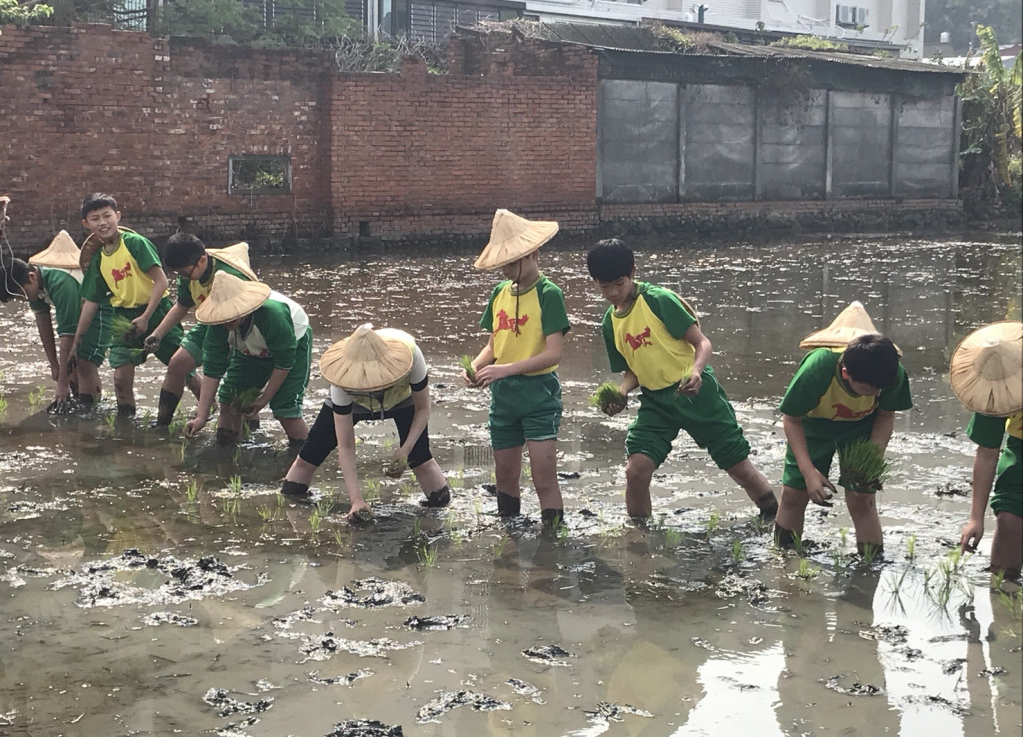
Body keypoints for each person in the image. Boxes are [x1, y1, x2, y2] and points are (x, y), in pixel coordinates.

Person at [586, 238, 778, 522]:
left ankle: (775, 516)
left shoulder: (658, 301)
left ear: (633, 273)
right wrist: (622, 391)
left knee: (737, 464)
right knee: (635, 470)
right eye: (604, 287)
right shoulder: (609, 323)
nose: (613, 292)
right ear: (595, 283)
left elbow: (702, 343)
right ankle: (639, 539)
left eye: (619, 283)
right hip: (656, 402)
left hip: (696, 393)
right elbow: (634, 370)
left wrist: (697, 371)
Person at [773, 302, 911, 556]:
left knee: (862, 498)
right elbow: (791, 418)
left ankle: (870, 565)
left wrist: (873, 457)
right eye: (870, 389)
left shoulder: (892, 373)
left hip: (862, 426)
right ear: (846, 374)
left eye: (881, 388)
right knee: (794, 494)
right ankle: (785, 558)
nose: (877, 393)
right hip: (813, 424)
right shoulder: (819, 367)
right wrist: (808, 471)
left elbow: (885, 414)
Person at [462, 209, 569, 530]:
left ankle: (553, 542)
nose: (507, 270)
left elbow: (553, 354)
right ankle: (510, 537)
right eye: (503, 263)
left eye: (513, 262)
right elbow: (495, 346)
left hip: (539, 396)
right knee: (505, 475)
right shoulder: (499, 294)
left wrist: (505, 370)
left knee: (543, 476)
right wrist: (477, 367)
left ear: (534, 254)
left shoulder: (550, 294)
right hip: (504, 398)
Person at [279, 324, 451, 518]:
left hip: (402, 397)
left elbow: (423, 409)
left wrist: (406, 449)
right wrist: (356, 500)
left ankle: (439, 514)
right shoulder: (342, 379)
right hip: (355, 402)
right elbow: (346, 446)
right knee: (310, 454)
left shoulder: (411, 356)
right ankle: (292, 512)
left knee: (421, 459)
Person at [71, 192, 193, 417]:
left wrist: (146, 317)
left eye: (107, 216)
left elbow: (162, 281)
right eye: (95, 218)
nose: (102, 222)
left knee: (183, 369)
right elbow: (92, 301)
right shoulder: (99, 259)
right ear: (86, 224)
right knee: (120, 378)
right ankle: (126, 425)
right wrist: (77, 340)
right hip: (122, 318)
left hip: (156, 312)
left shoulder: (135, 243)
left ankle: (212, 409)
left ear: (117, 216)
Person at [143, 232, 259, 426]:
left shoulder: (230, 275)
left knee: (239, 387)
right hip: (210, 324)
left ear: (202, 260)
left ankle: (252, 433)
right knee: (177, 364)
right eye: (179, 274)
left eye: (185, 273)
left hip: (239, 326)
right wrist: (157, 333)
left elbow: (249, 312)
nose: (183, 277)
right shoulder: (188, 273)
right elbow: (182, 305)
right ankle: (162, 425)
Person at [184, 271, 311, 446]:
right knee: (229, 400)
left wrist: (264, 398)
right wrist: (201, 417)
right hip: (250, 352)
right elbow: (213, 369)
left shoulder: (272, 314)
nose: (228, 320)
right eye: (223, 316)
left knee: (285, 409)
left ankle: (304, 458)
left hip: (293, 345)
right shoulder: (217, 325)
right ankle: (229, 455)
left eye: (232, 314)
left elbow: (284, 362)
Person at [0, 232, 112, 411]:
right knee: (72, 367)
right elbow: (43, 321)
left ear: (31, 277)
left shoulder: (61, 283)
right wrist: (55, 366)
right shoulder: (34, 285)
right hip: (79, 313)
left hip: (101, 308)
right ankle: (79, 402)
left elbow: (67, 335)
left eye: (22, 294)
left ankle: (92, 411)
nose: (24, 300)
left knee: (84, 362)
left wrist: (62, 384)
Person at [951, 320, 1022, 582]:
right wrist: (975, 519)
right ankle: (1004, 592)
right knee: (1009, 520)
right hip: (1021, 449)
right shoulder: (994, 391)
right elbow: (988, 452)